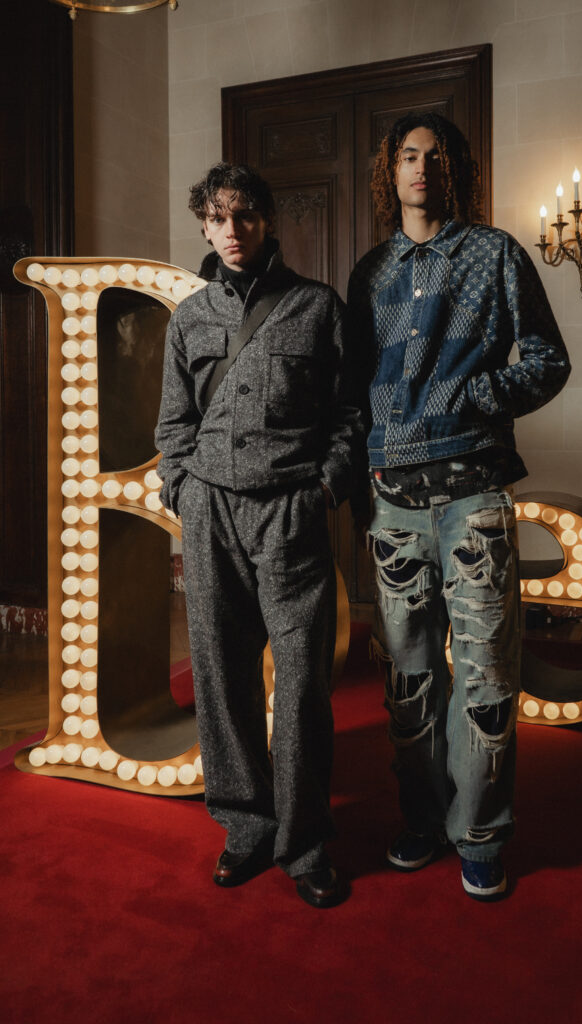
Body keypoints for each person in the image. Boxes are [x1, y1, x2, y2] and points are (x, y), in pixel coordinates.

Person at [347, 112, 570, 900]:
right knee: (408, 679)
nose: (421, 168)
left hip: (472, 494)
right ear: (390, 170)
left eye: (436, 157)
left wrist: (475, 396)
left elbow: (547, 359)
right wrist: (367, 461)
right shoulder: (370, 270)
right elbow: (356, 384)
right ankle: (421, 818)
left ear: (456, 170)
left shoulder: (495, 253)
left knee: (484, 678)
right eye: (408, 156)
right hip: (393, 504)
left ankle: (479, 834)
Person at [155, 162, 362, 908]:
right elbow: (173, 422)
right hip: (211, 512)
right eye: (218, 218)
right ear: (204, 227)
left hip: (290, 512)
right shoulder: (189, 318)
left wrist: (325, 486)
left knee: (302, 682)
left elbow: (349, 413)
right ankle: (245, 825)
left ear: (267, 219)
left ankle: (303, 842)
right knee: (219, 674)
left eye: (244, 215)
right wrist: (182, 486)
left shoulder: (316, 306)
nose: (233, 230)